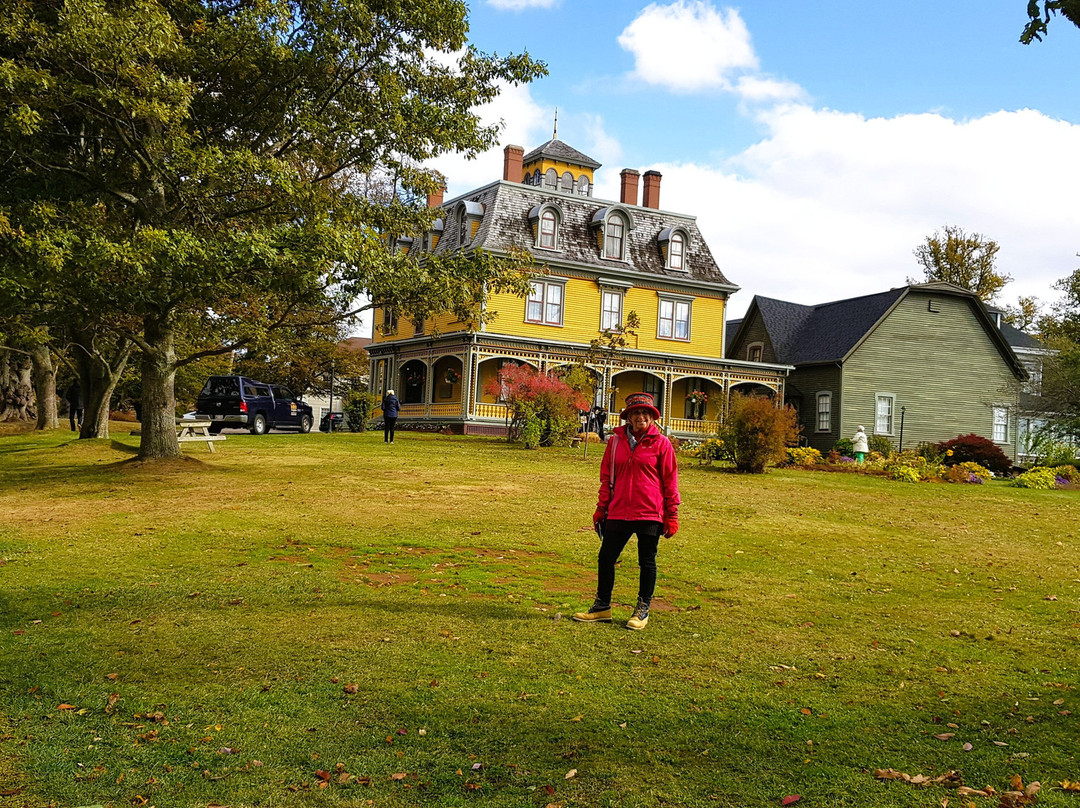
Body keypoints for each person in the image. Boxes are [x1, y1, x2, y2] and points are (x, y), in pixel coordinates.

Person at [574, 392, 680, 631]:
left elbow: (670, 480)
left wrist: (671, 514)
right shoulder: (615, 442)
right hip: (619, 510)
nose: (640, 417)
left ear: (652, 417)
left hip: (649, 512)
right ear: (628, 417)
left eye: (645, 413)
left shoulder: (661, 443)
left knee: (647, 561)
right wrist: (602, 508)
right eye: (636, 413)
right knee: (606, 558)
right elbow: (606, 478)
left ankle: (642, 608)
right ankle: (602, 606)